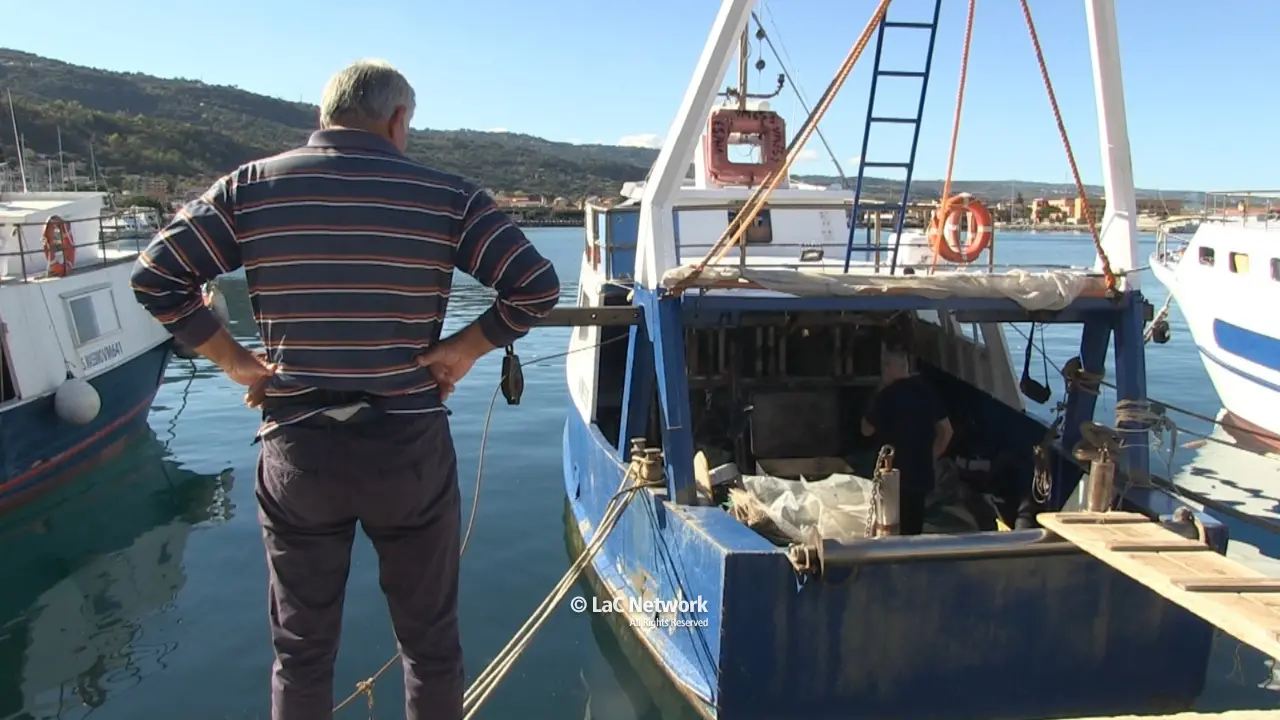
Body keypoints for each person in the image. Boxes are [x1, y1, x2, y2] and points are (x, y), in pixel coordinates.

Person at [130, 60, 561, 720]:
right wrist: (464, 349)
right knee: (430, 648)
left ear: (324, 115)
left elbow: (157, 276)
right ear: (397, 119)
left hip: (298, 451)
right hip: (408, 450)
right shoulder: (450, 195)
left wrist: (235, 361)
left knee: (301, 653)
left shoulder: (251, 186)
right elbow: (535, 285)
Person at [860, 347, 954, 536]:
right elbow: (947, 431)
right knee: (914, 524)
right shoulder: (927, 391)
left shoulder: (885, 396)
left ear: (888, 368)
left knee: (890, 525)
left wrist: (877, 394)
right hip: (921, 473)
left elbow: (866, 430)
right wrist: (933, 454)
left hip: (892, 476)